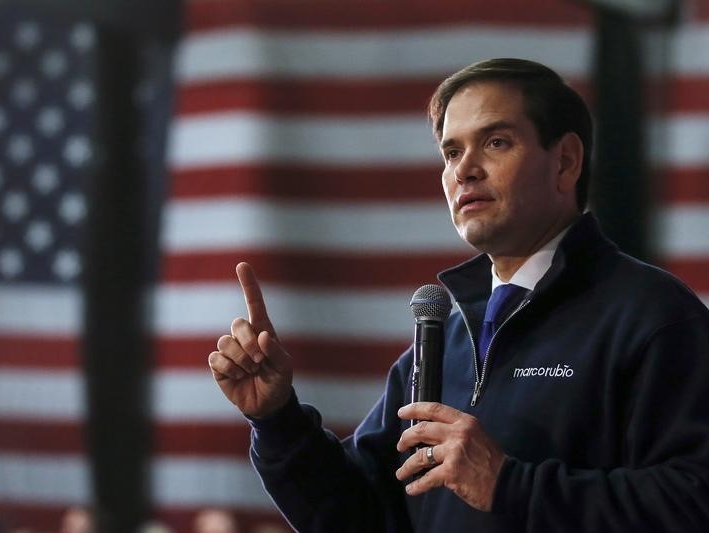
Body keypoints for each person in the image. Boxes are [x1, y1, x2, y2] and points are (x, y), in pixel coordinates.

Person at [207, 58, 709, 532]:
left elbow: (694, 503)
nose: (464, 169)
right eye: (451, 152)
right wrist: (275, 418)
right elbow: (357, 515)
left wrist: (508, 484)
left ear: (565, 162)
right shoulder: (446, 335)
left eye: (495, 142)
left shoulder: (652, 316)